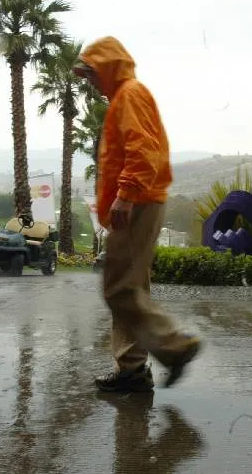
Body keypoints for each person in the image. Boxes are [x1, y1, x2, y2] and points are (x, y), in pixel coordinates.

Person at [73, 36, 201, 391]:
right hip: (140, 200)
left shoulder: (129, 93)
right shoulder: (126, 95)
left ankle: (175, 347)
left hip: (137, 202)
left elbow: (143, 148)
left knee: (118, 289)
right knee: (129, 287)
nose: (92, 83)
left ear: (108, 67)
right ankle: (131, 368)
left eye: (93, 74)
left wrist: (125, 195)